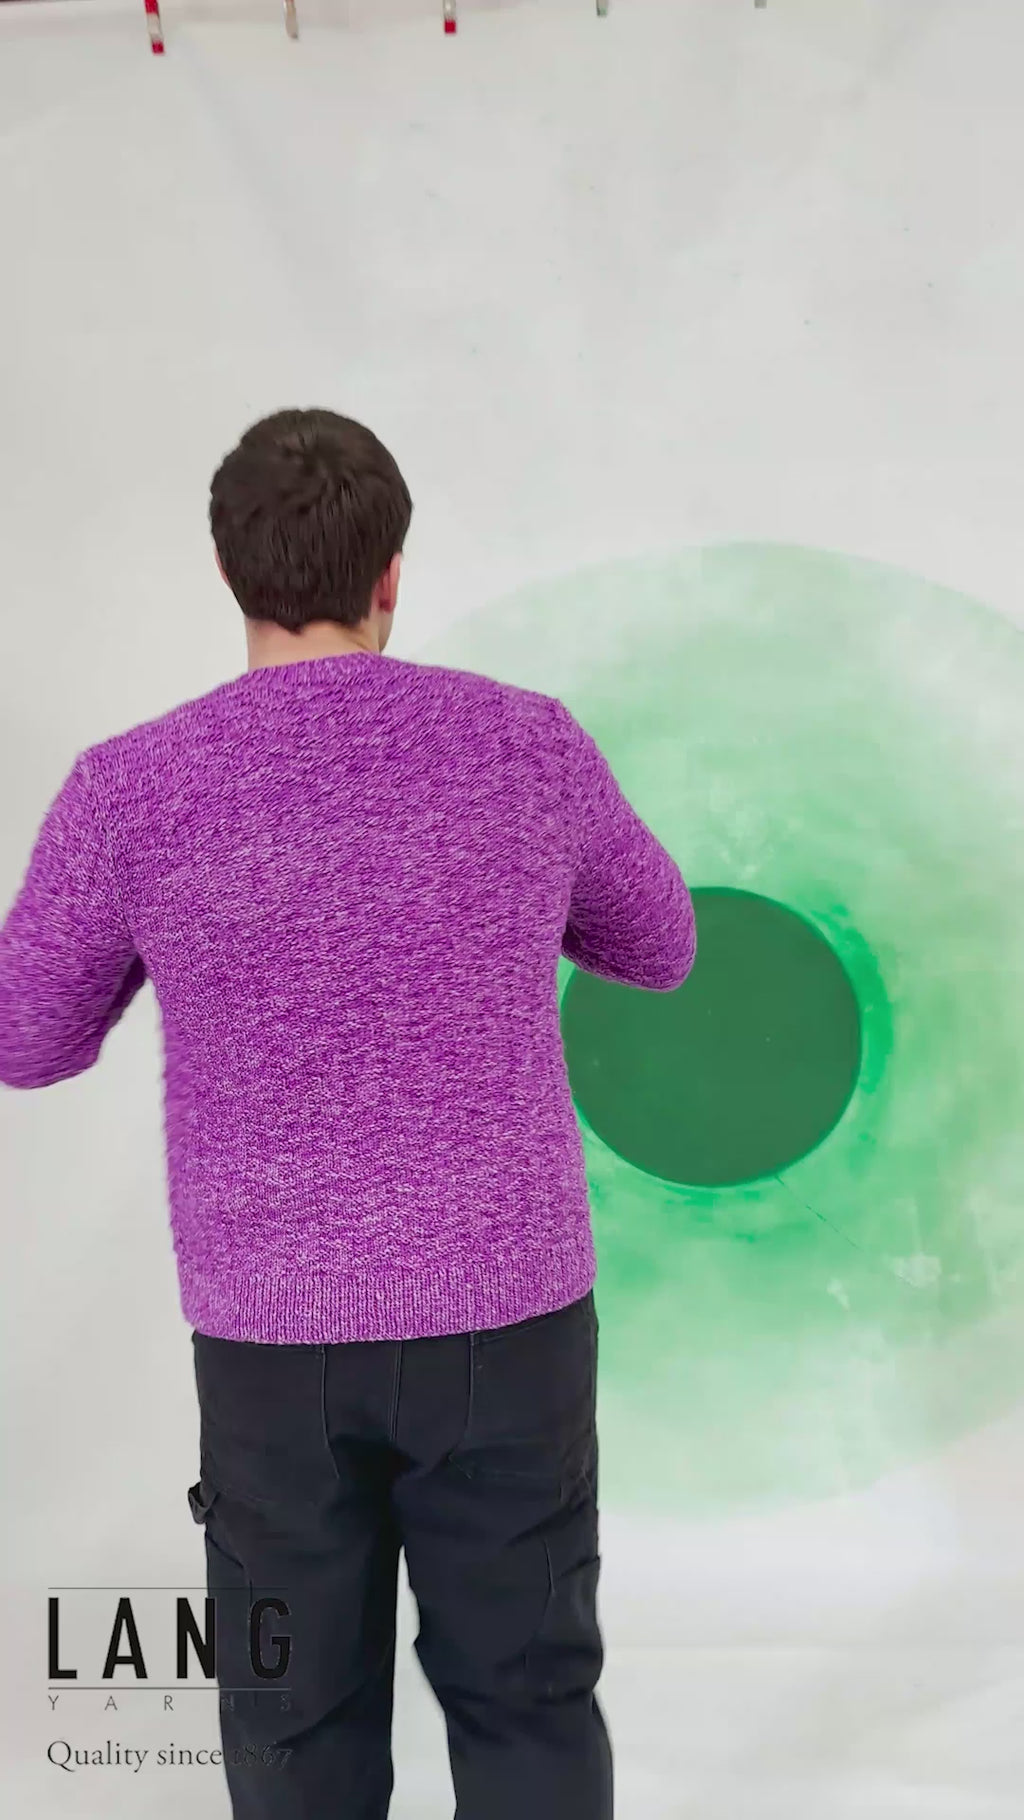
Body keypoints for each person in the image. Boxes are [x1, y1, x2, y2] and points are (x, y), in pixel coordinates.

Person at [0, 408, 696, 1819]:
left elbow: (28, 1039)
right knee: (528, 1704)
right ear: (391, 572)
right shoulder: (526, 746)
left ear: (229, 572)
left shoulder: (131, 788)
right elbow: (661, 943)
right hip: (508, 1318)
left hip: (271, 1345)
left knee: (294, 1732)